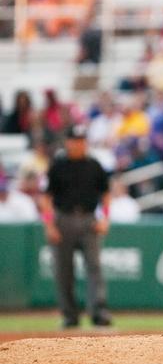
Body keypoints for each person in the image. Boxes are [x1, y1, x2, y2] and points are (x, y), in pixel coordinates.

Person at [39, 125, 112, 329]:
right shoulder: (58, 165)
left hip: (89, 220)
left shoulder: (95, 165)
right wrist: (49, 224)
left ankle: (99, 313)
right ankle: (70, 315)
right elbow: (46, 197)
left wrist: (105, 218)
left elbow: (106, 195)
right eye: (75, 140)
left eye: (82, 140)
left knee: (95, 268)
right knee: (64, 271)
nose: (78, 144)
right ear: (67, 142)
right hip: (63, 220)